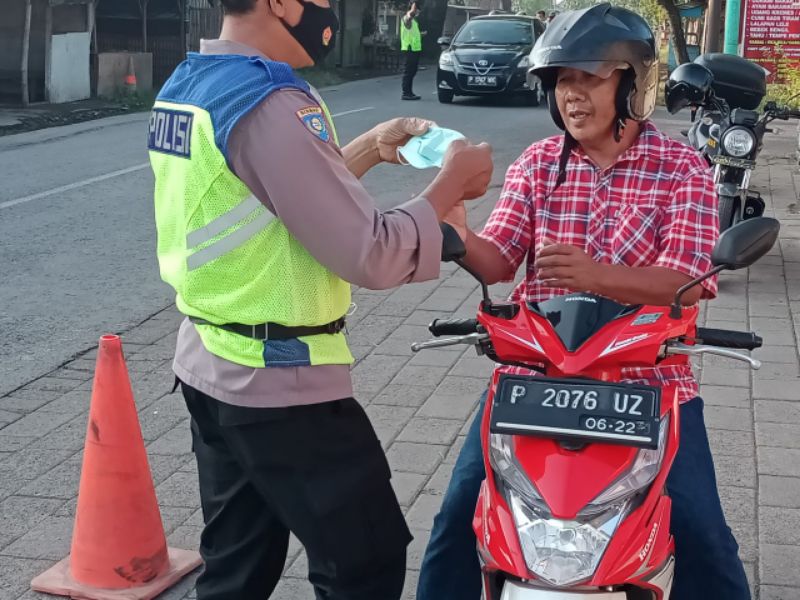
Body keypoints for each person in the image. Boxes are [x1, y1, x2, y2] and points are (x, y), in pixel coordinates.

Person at [147, 0, 493, 598]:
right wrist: (450, 184)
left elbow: (276, 204)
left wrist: (368, 148)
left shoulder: (192, 84)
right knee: (364, 560)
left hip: (209, 362)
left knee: (237, 564)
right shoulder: (270, 100)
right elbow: (369, 253)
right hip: (281, 383)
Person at [417, 4, 750, 600]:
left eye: (589, 79)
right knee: (458, 520)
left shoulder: (682, 168)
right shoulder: (540, 164)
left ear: (633, 83)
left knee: (702, 529)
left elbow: (690, 279)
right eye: (562, 82)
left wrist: (598, 276)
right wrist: (455, 235)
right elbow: (500, 259)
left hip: (649, 379)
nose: (572, 96)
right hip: (537, 375)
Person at [401, 1, 424, 100]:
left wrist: (420, 34)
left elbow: (412, 34)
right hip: (410, 49)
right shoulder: (407, 18)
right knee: (409, 72)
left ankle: (410, 92)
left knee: (413, 71)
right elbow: (410, 15)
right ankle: (406, 93)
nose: (418, 12)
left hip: (415, 49)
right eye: (417, 9)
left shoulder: (414, 22)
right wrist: (413, 6)